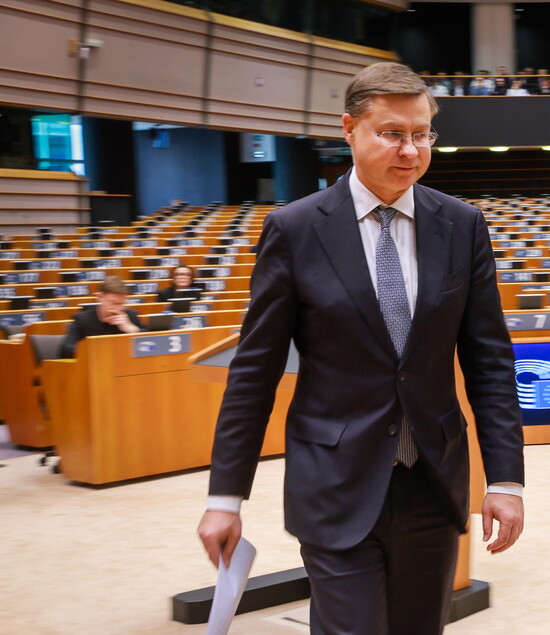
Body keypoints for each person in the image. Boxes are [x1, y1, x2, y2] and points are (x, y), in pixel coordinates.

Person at [197, 62, 526, 635]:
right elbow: (254, 372)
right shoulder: (296, 229)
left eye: (422, 134)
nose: (411, 150)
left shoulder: (462, 224)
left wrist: (505, 480)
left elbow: (489, 363)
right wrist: (226, 496)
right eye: (392, 133)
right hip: (335, 482)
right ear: (349, 129)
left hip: (431, 483)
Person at [60, 276, 144, 358]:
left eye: (122, 304)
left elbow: (147, 343)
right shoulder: (83, 319)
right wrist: (101, 351)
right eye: (114, 303)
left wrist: (133, 330)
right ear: (100, 297)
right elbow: (67, 350)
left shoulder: (130, 316)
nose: (119, 308)